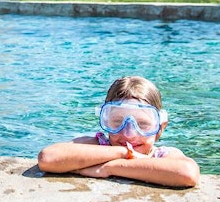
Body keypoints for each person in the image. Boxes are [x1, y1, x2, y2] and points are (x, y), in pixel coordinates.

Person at [37, 76, 200, 188]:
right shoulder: (100, 146)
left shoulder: (162, 155)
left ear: (160, 127)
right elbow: (48, 158)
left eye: (142, 124)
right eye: (117, 122)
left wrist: (109, 168)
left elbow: (188, 174)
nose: (129, 134)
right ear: (105, 120)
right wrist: (123, 152)